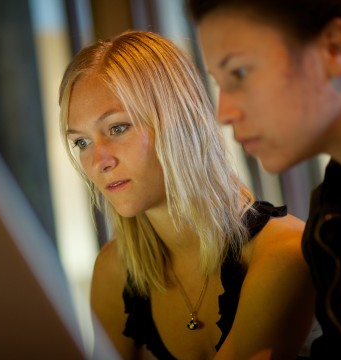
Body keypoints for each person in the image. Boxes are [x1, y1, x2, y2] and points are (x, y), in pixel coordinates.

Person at [59, 30, 318, 360]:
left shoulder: (284, 255)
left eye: (117, 128)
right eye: (82, 142)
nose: (98, 162)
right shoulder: (114, 271)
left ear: (176, 122)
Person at [187, 0, 341, 358]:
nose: (224, 113)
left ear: (335, 49)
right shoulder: (332, 221)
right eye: (219, 84)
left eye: (239, 73)